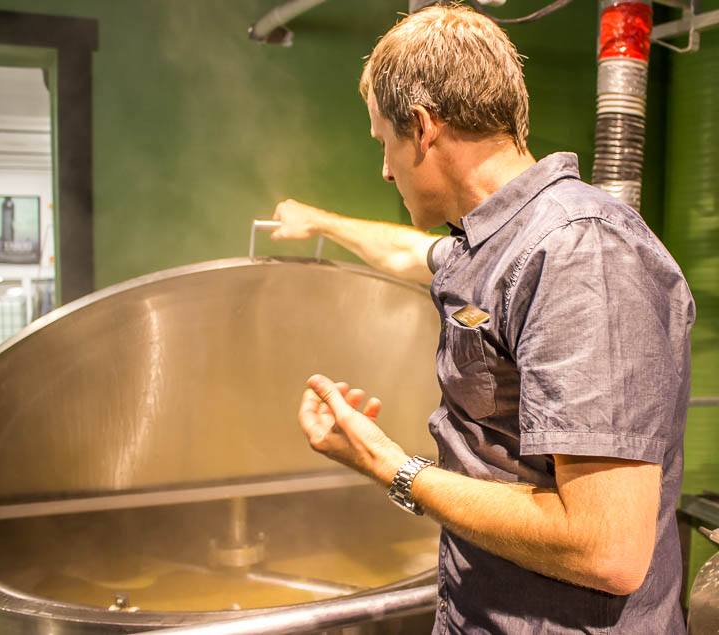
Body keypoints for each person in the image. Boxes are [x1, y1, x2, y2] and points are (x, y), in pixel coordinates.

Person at [270, 4, 694, 634]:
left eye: (384, 143)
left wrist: (389, 465)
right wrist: (321, 223)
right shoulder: (492, 242)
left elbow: (608, 549)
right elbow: (411, 253)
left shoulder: (583, 254)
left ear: (421, 128)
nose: (385, 169)